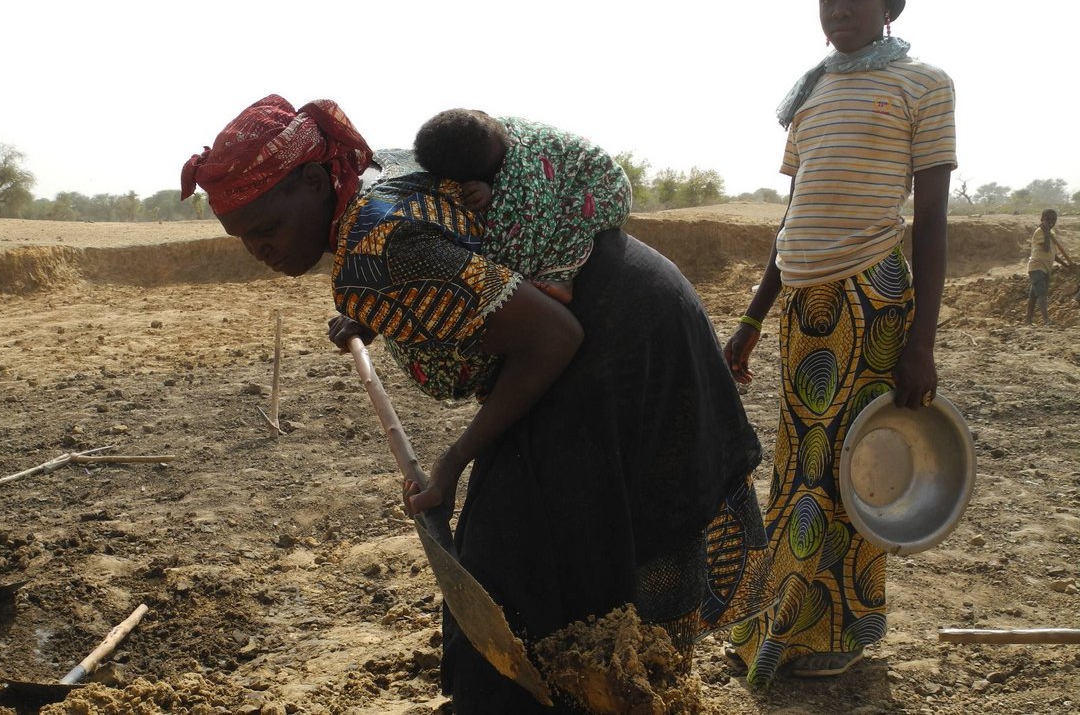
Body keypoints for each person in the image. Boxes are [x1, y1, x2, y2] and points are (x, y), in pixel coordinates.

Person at [181, 95, 772, 712]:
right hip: (632, 304)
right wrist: (383, 311)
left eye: (266, 229)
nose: (260, 250)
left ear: (311, 177)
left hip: (613, 342)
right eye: (244, 238)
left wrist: (454, 460)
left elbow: (552, 337)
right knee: (540, 552)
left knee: (519, 562)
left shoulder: (374, 248)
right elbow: (455, 260)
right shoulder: (370, 178)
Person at [721, 0, 956, 684]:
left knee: (849, 468)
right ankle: (774, 623)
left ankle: (834, 630)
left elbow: (933, 222)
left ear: (889, 5)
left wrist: (922, 342)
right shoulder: (811, 93)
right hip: (805, 304)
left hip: (873, 298)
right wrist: (754, 318)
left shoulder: (926, 84)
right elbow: (792, 219)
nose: (841, 7)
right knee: (799, 463)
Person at [412, 108, 631, 305]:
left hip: (606, 187)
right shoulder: (492, 133)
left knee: (574, 220)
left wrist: (495, 195)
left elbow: (523, 245)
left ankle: (561, 278)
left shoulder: (525, 181)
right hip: (568, 180)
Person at [1026, 208, 1072, 325]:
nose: (1051, 222)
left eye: (1053, 219)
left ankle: (1028, 321)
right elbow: (1045, 248)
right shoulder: (1039, 232)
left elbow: (1052, 254)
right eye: (1047, 219)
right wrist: (1046, 232)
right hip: (1037, 267)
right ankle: (1046, 320)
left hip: (1046, 268)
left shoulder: (1051, 234)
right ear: (1042, 219)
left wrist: (1066, 265)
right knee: (1042, 293)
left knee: (1034, 296)